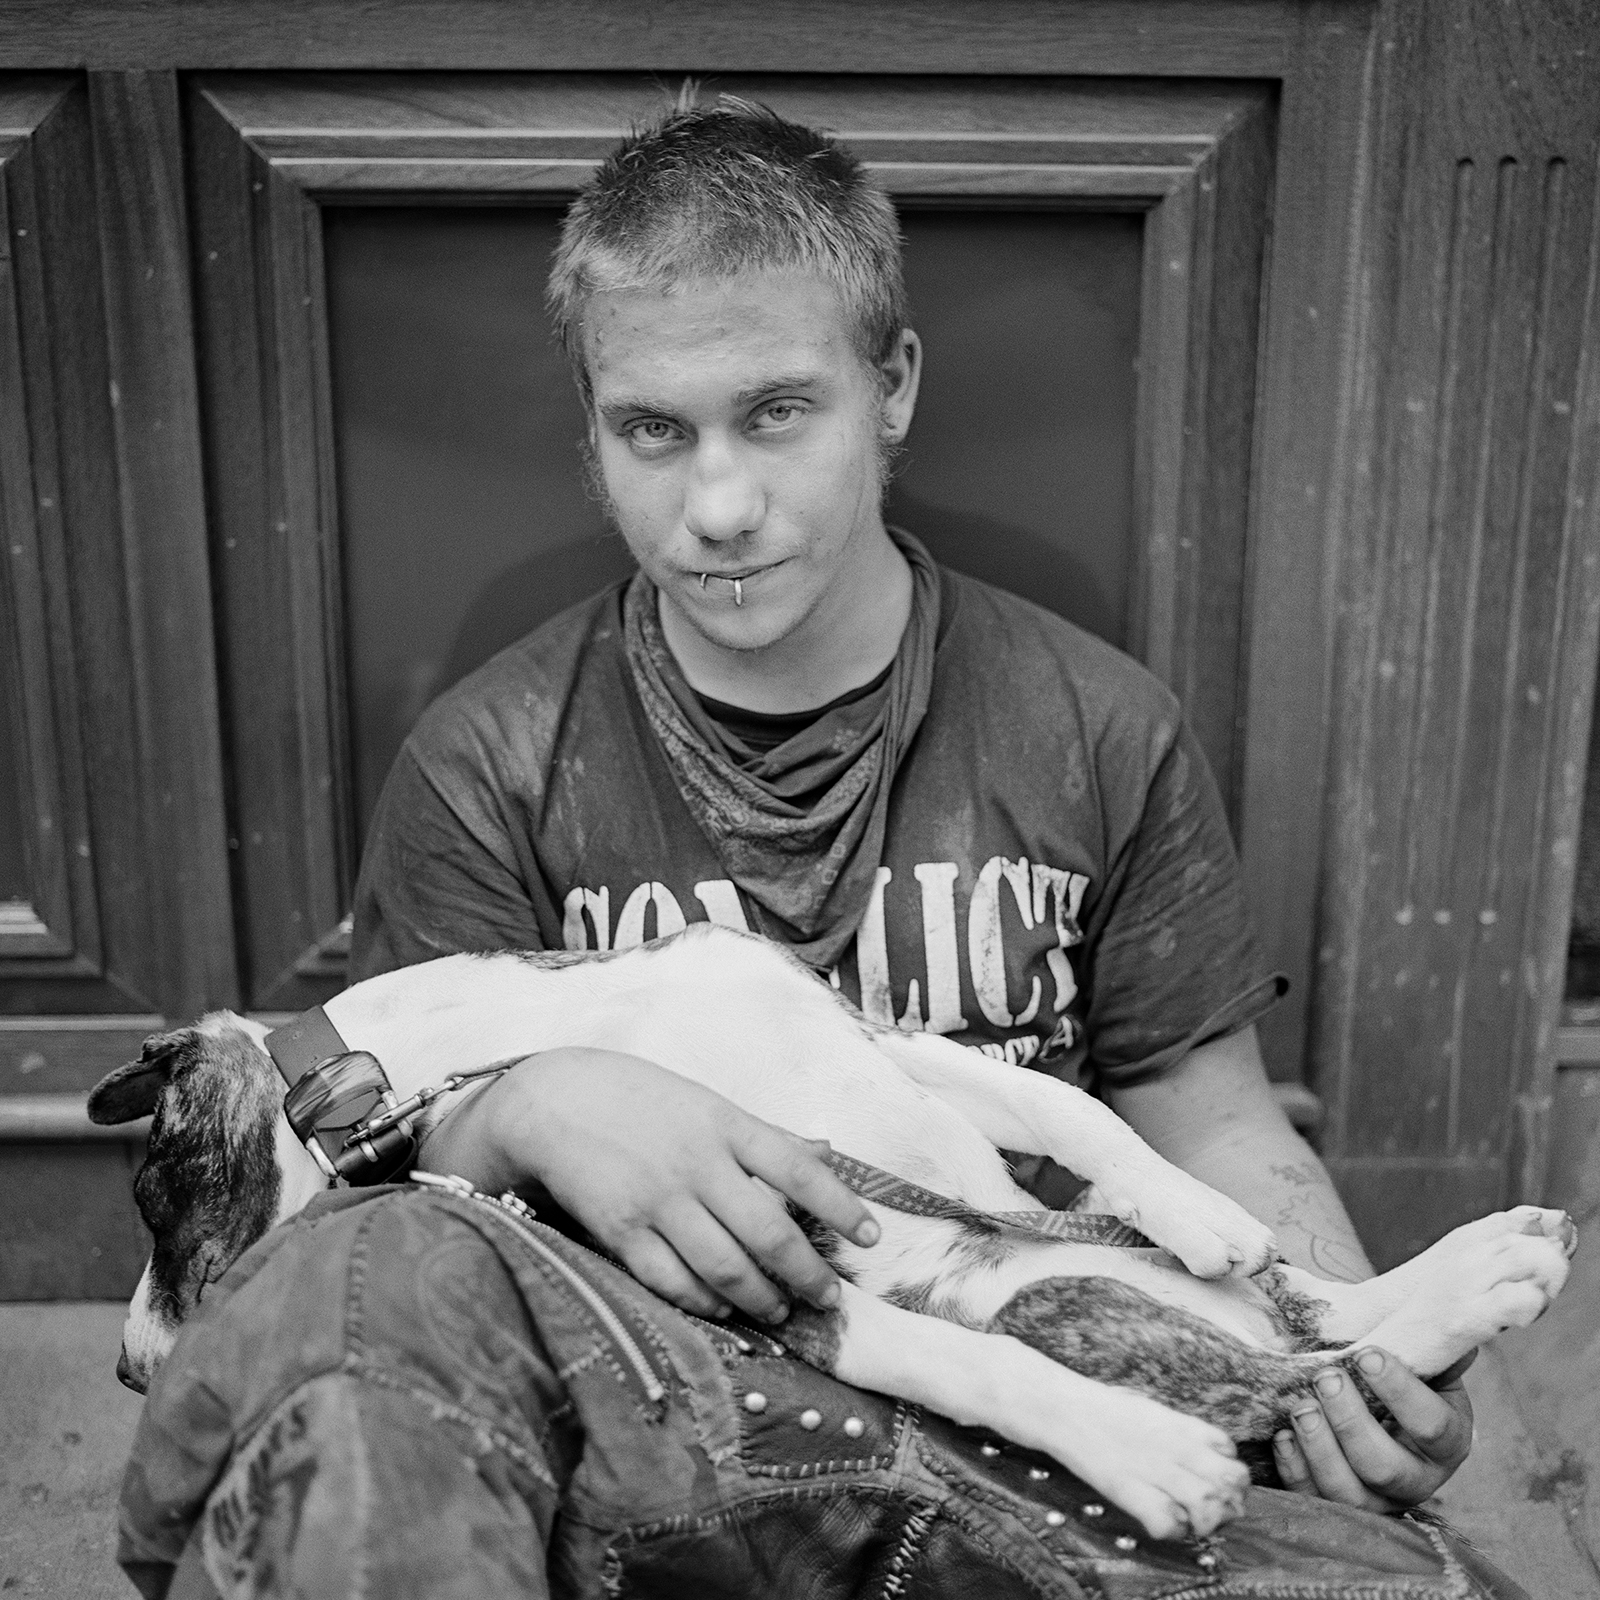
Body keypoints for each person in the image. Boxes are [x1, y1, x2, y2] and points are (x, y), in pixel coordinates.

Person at [117, 100, 1508, 1599]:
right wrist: (530, 1107)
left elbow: (1208, 1113)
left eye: (777, 410)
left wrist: (1353, 1350)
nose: (716, 504)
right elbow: (404, 1215)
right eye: (653, 429)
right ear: (590, 427)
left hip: (1048, 1425)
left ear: (891, 383)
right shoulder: (490, 759)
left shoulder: (1094, 723)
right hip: (669, 1431)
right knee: (360, 1316)